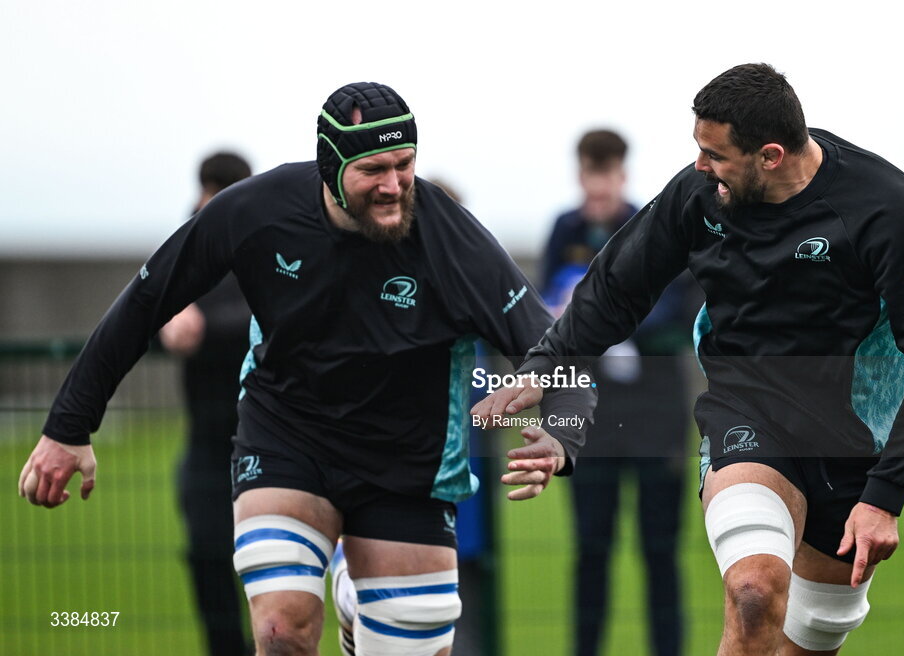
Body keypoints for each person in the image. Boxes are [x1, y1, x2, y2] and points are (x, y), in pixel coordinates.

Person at [18, 82, 596, 656]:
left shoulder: (454, 242)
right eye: (373, 169)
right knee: (281, 631)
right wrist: (70, 426)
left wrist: (563, 436)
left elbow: (554, 351)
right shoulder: (254, 210)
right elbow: (147, 301)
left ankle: (352, 591)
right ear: (330, 165)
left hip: (406, 460)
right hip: (286, 436)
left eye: (405, 165)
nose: (394, 186)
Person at [473, 63, 904, 655]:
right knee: (754, 592)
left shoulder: (889, 209)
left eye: (716, 154)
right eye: (698, 150)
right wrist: (543, 366)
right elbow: (615, 287)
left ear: (772, 155)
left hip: (852, 438)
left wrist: (885, 497)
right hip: (746, 415)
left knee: (812, 636)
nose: (701, 167)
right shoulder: (699, 194)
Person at [541, 129, 693, 656]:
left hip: (656, 416)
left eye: (608, 173)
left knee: (660, 551)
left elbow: (679, 304)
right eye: (590, 173)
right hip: (590, 422)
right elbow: (549, 305)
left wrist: (610, 325)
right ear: (580, 174)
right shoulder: (566, 230)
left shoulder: (656, 225)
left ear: (622, 173)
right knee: (590, 549)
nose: (599, 185)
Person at [159, 151, 253, 656]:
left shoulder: (263, 242)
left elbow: (263, 317)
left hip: (263, 438)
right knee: (205, 558)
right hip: (204, 441)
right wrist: (169, 322)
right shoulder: (186, 247)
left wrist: (202, 323)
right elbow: (145, 312)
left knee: (270, 571)